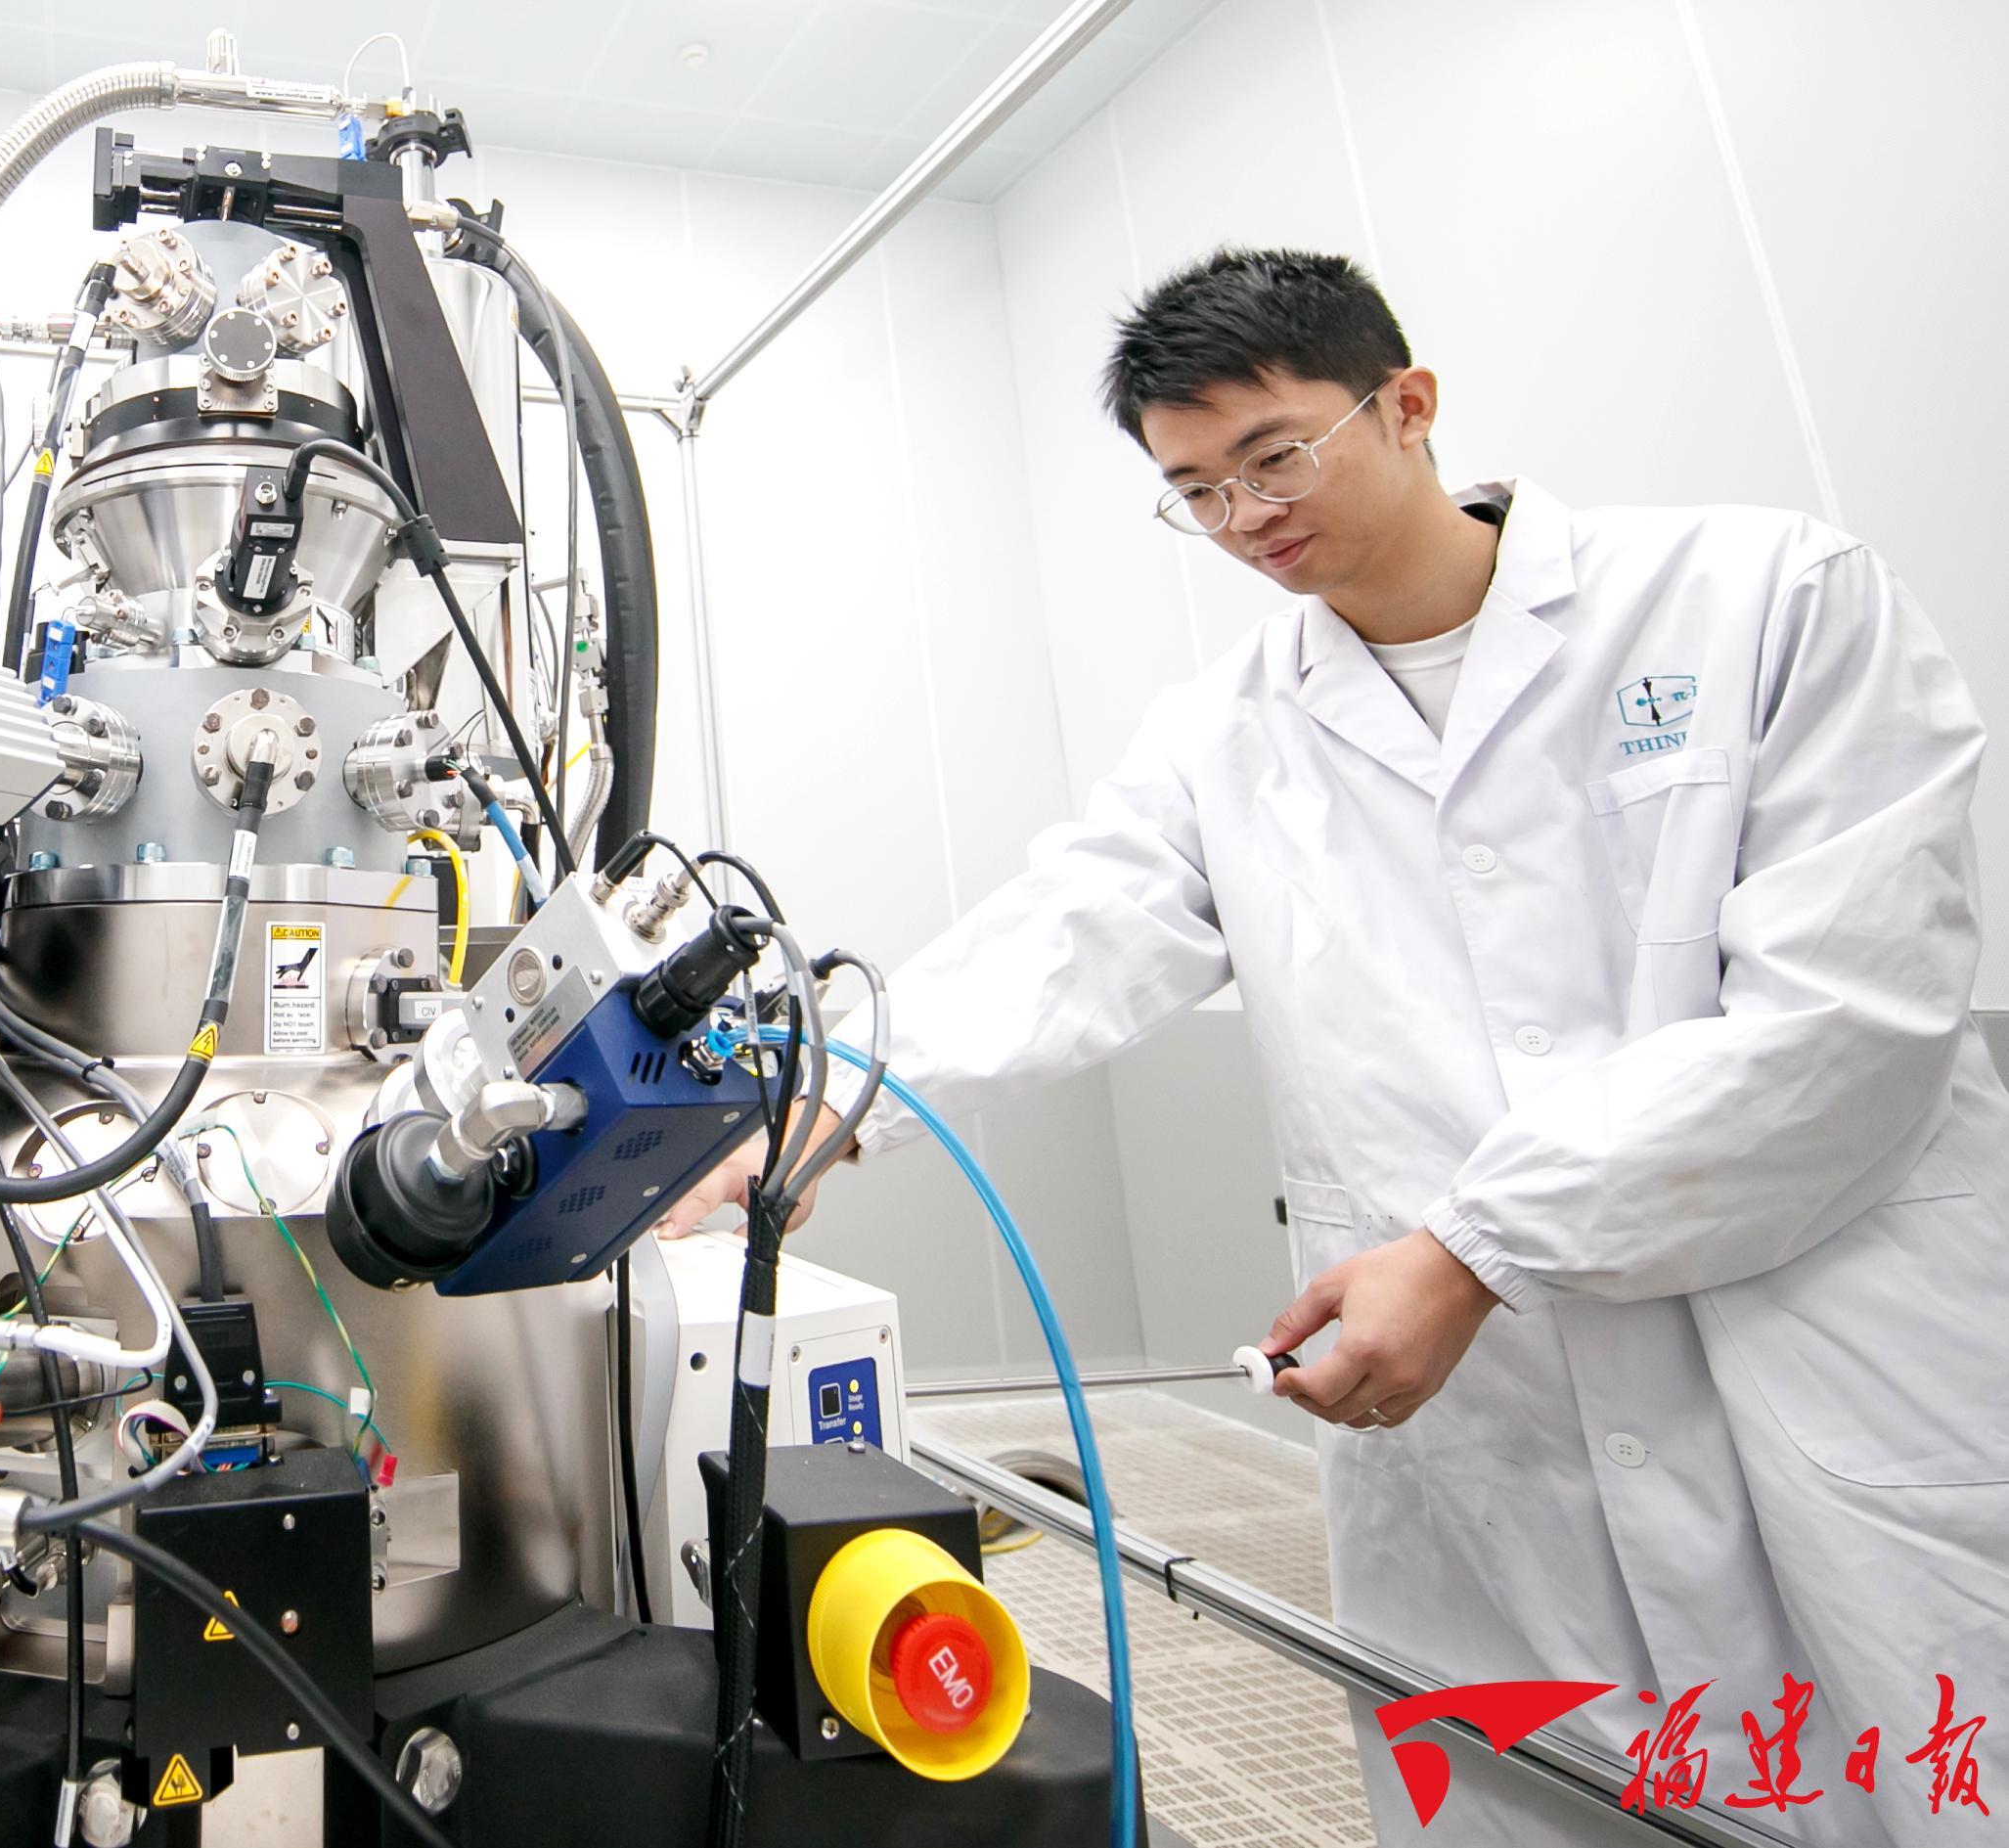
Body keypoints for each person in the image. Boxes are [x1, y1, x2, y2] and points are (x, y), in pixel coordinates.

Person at [655, 248, 2009, 1846]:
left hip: (1821, 1357)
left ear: (1409, 404)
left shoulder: (1762, 597)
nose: (1245, 519)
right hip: (1499, 1439)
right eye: (1196, 492)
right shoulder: (1227, 732)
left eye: (1274, 456)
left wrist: (1479, 1244)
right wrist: (814, 1101)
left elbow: (1852, 1017)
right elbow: (1069, 932)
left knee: (1909, 1772)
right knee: (1539, 1789)